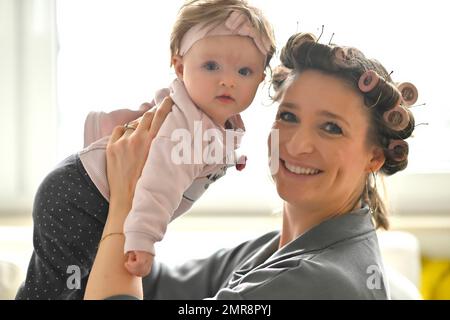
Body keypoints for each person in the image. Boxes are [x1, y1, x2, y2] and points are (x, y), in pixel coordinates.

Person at [84, 32, 419, 300]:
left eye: (331, 128)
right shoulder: (278, 247)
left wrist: (124, 202)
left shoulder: (318, 283)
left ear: (374, 157)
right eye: (288, 116)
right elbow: (162, 287)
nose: (298, 144)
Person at [15, 0, 275, 299]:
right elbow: (158, 185)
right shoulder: (185, 127)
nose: (228, 80)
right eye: (211, 66)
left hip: (90, 194)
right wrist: (141, 240)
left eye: (244, 71)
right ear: (179, 66)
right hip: (81, 201)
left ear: (260, 80)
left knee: (78, 281)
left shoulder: (209, 119)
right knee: (57, 286)